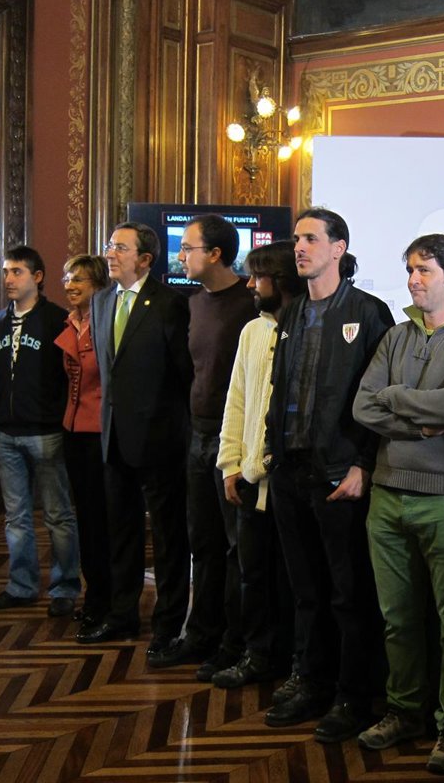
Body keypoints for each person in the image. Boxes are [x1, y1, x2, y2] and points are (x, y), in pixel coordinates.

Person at [352, 234, 444, 775]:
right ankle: (404, 710)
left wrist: (394, 397)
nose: (414, 280)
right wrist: (419, 422)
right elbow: (363, 406)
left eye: (425, 270)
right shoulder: (396, 334)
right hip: (388, 494)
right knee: (398, 619)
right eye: (410, 269)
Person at [262, 207, 394, 743]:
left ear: (338, 248)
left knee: (348, 593)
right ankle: (310, 680)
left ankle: (353, 695)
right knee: (305, 589)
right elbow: (280, 388)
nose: (299, 247)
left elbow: (380, 398)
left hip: (340, 474)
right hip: (290, 470)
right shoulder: (293, 312)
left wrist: (363, 462)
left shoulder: (368, 312)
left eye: (311, 239)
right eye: (297, 239)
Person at [78, 222, 194, 661]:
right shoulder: (102, 300)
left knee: (167, 539)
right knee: (121, 533)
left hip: (160, 441)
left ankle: (167, 626)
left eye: (120, 248)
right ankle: (122, 615)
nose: (110, 253)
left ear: (145, 259)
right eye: (110, 245)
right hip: (114, 439)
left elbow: (183, 375)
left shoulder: (170, 303)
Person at [149, 214, 258, 672]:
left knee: (236, 548)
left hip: (233, 440)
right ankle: (201, 634)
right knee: (203, 542)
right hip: (197, 435)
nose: (179, 256)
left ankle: (235, 643)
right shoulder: (192, 304)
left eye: (187, 248)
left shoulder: (251, 303)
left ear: (215, 254)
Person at [213, 240, 304, 688]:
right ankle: (258, 655)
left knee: (295, 581)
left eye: (258, 276)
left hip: (291, 481)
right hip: (250, 478)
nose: (250, 284)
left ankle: (297, 665)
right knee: (253, 575)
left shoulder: (307, 328)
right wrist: (230, 463)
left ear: (280, 279)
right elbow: (237, 399)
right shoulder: (252, 331)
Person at [0, 245, 81, 617]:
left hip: (46, 433)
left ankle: (64, 587)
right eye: (5, 272)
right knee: (16, 517)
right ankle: (21, 586)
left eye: (17, 272)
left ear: (37, 277)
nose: (8, 279)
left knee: (58, 515)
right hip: (5, 433)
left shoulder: (58, 321)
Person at [54, 254, 113, 628]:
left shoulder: (107, 324)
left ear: (99, 285)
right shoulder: (71, 322)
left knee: (103, 522)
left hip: (101, 434)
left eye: (78, 279)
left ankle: (107, 599)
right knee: (86, 520)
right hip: (74, 431)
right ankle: (95, 595)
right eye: (67, 278)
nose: (70, 285)